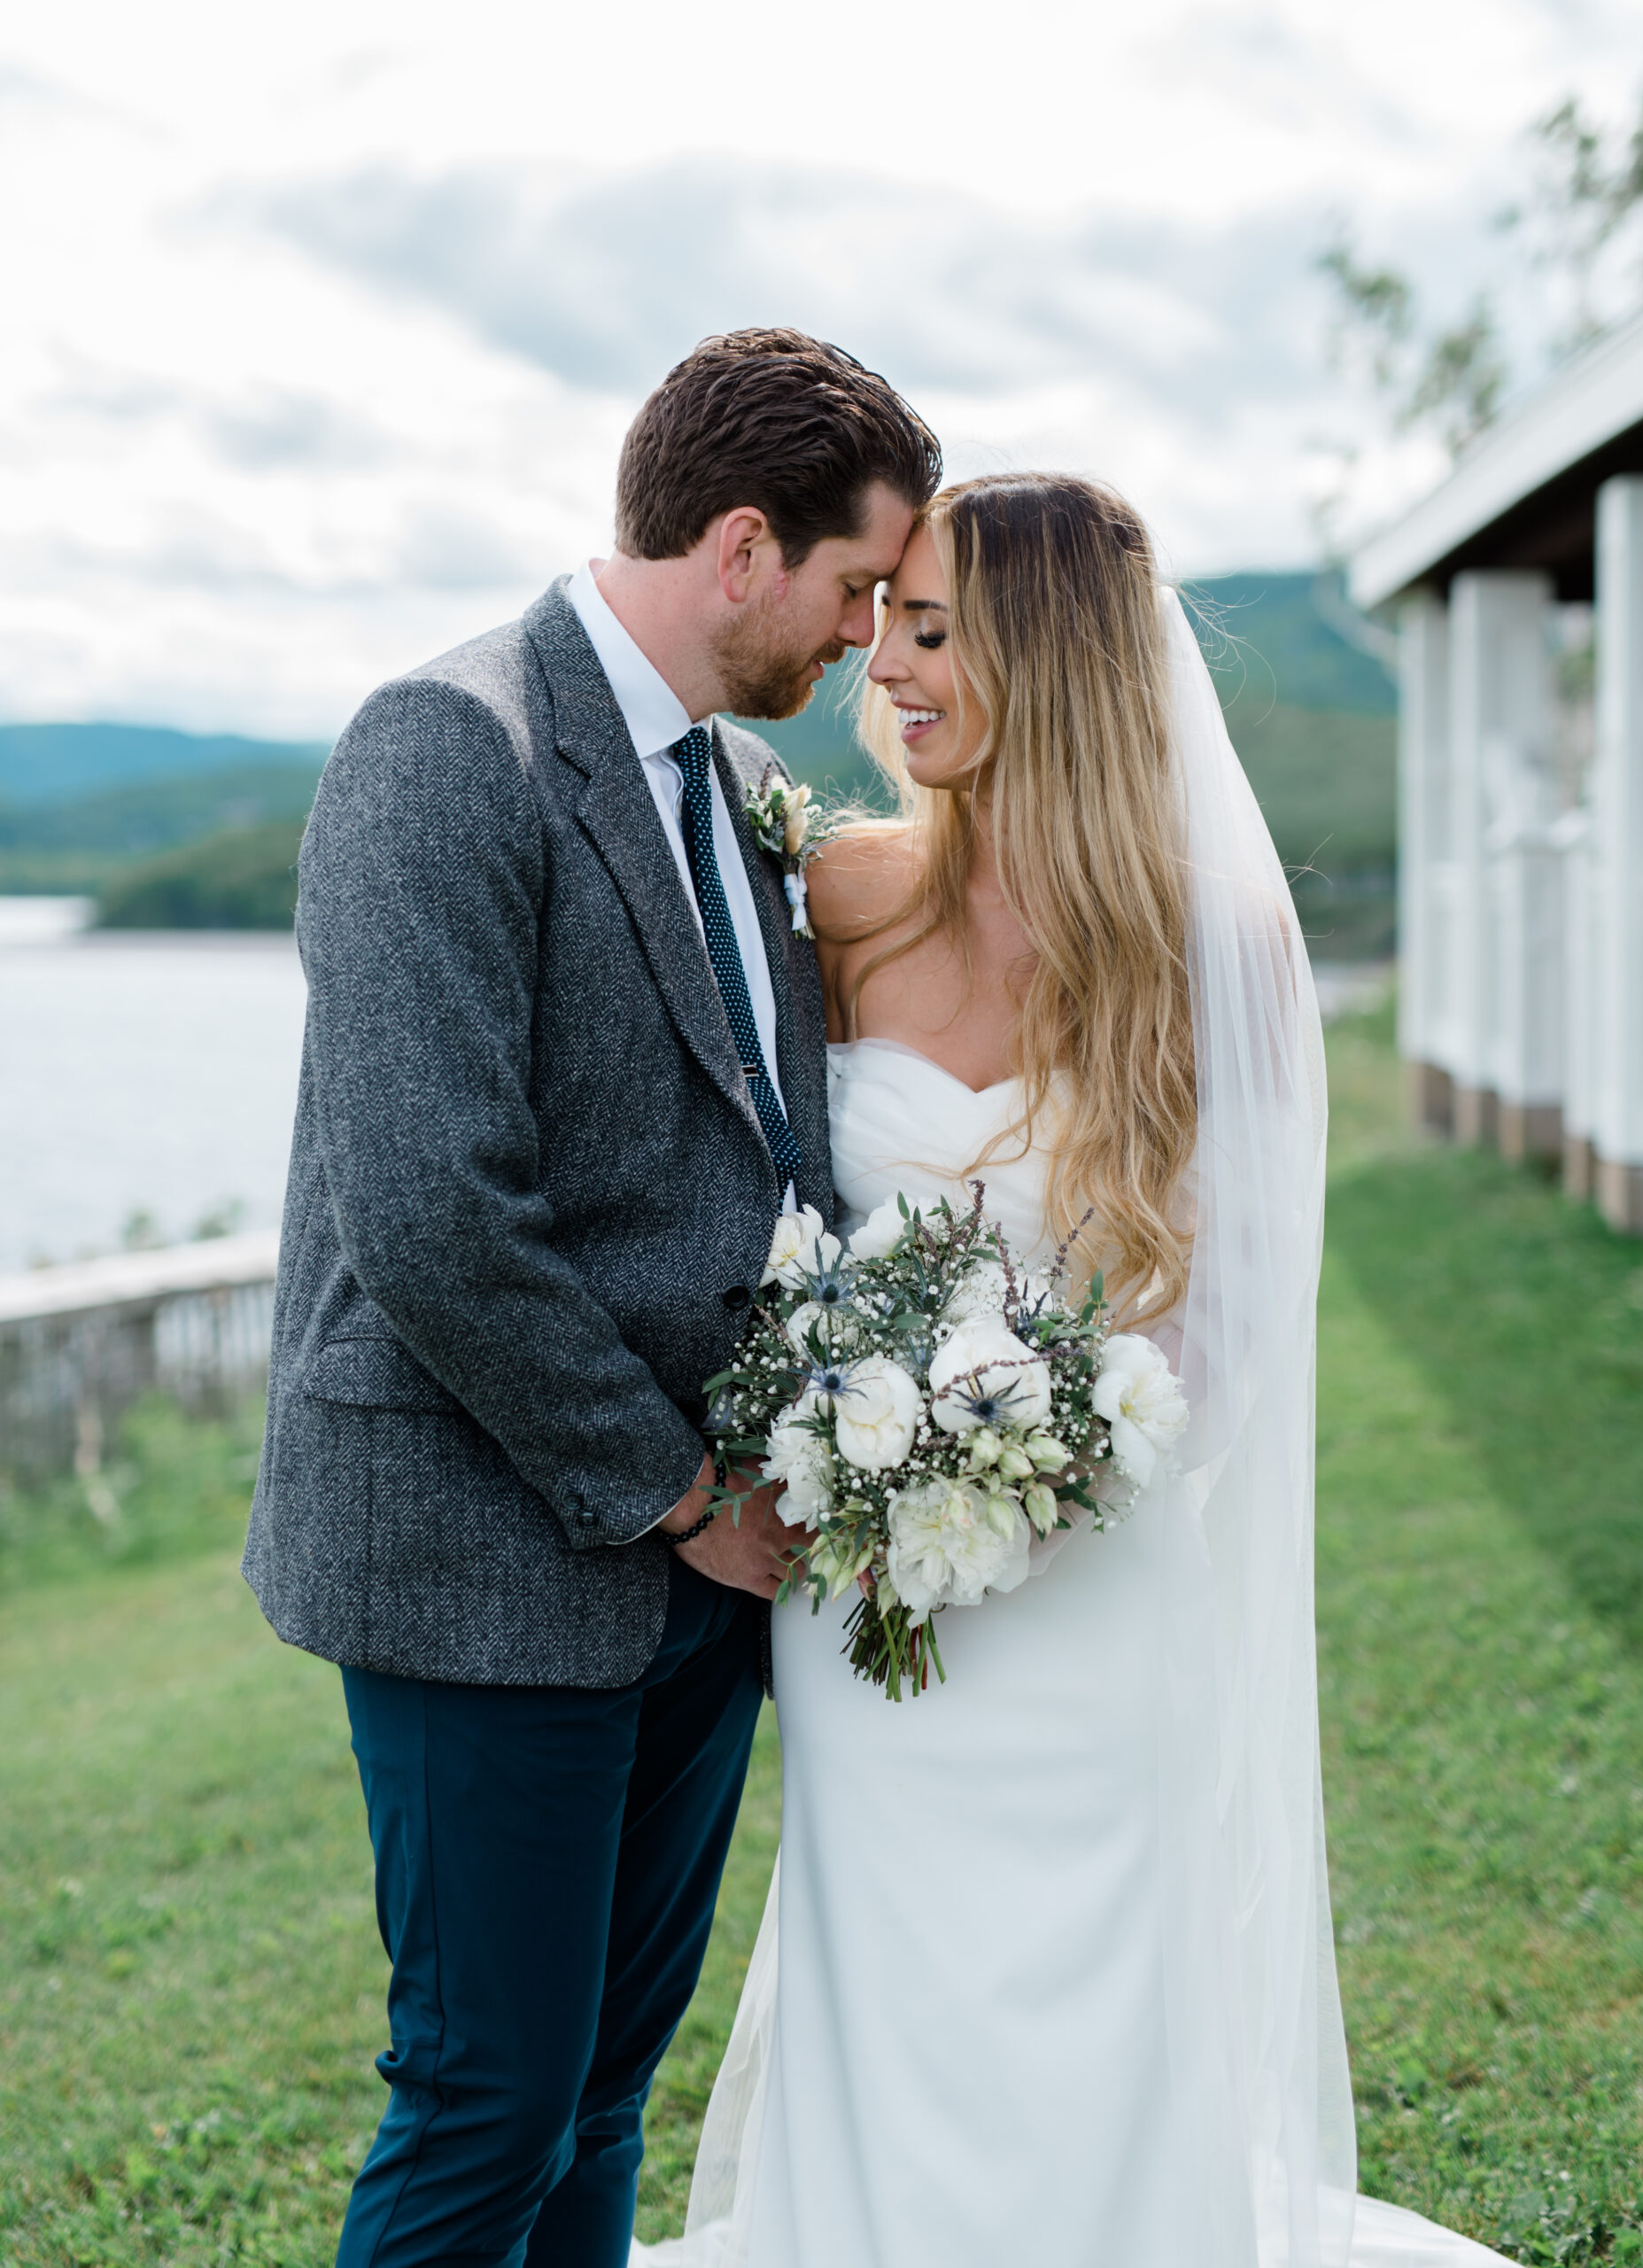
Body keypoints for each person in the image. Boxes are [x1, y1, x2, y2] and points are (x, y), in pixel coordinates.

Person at [639, 475, 1515, 2268]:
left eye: (939, 628)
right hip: (869, 1593)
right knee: (890, 1982)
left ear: (1054, 657)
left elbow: (1236, 1313)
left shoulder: (1217, 944)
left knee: (1110, 1989)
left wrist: (1030, 1478)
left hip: (1101, 1591)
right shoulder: (842, 899)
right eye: (888, 621)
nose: (889, 664)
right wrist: (875, 1471)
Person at [240, 327, 941, 2268]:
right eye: (855, 586)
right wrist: (691, 1497)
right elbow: (433, 1213)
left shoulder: (729, 775)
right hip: (489, 1554)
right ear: (739, 546)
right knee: (484, 2099)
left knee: (605, 2093)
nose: (866, 641)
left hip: (696, 1591)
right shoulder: (440, 746)